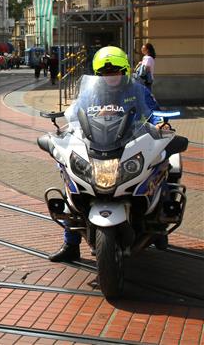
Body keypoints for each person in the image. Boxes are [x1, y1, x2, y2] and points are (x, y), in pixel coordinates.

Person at [49, 46, 162, 263]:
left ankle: (157, 224)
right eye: (105, 74)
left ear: (125, 70)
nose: (110, 77)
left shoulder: (137, 90)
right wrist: (68, 124)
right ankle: (71, 244)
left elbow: (153, 112)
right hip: (99, 144)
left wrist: (159, 123)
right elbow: (75, 112)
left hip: (130, 143)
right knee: (71, 180)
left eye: (116, 71)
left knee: (159, 165)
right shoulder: (92, 91)